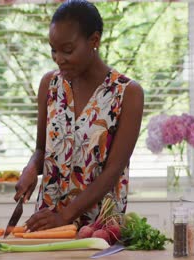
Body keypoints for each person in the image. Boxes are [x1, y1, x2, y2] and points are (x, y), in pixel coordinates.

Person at [14, 0, 144, 231]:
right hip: (47, 223)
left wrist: (65, 216)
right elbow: (42, 150)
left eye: (67, 50)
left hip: (98, 229)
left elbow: (114, 170)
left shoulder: (128, 93)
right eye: (53, 49)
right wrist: (32, 168)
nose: (58, 58)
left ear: (94, 40)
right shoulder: (49, 85)